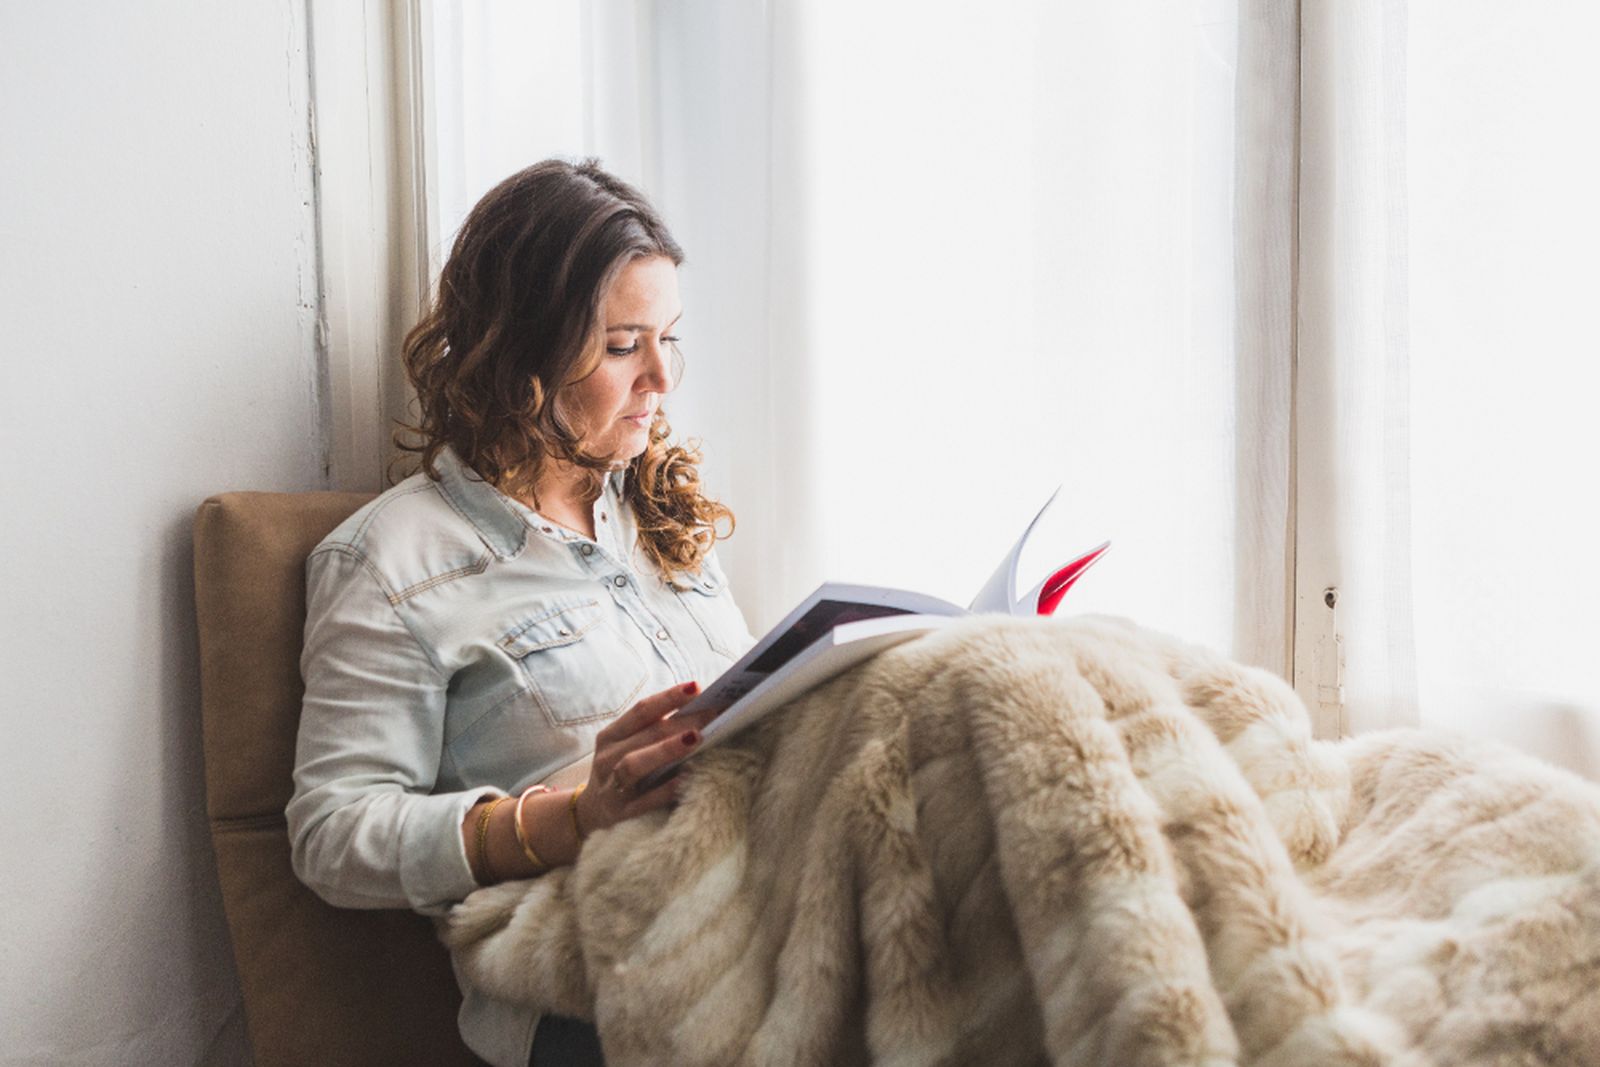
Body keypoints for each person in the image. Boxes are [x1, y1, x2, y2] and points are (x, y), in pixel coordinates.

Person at [286, 158, 755, 1067]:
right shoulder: (391, 560)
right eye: (623, 345)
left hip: (752, 908)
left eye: (669, 337)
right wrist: (567, 816)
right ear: (523, 354)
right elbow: (333, 833)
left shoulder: (660, 513)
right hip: (589, 981)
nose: (661, 376)